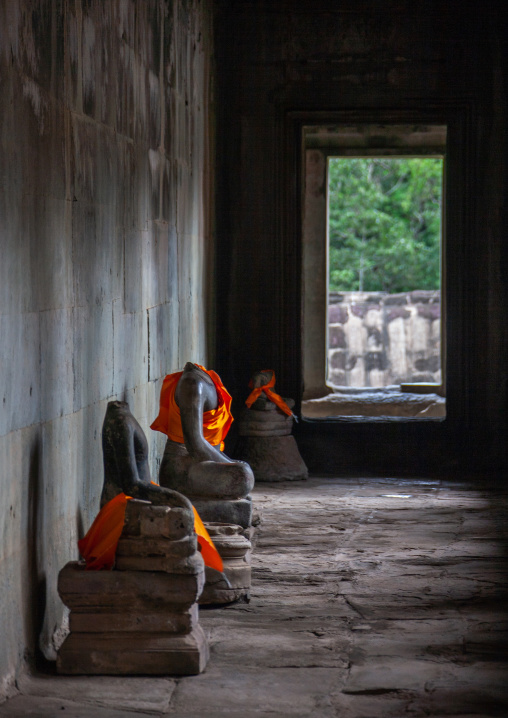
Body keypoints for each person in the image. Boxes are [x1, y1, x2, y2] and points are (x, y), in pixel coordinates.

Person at [78, 400, 222, 571]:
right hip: (124, 506)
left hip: (135, 501)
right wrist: (177, 498)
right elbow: (131, 485)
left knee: (189, 525)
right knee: (185, 516)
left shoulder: (124, 418)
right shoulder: (120, 422)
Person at [151, 363, 254, 501]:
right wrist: (233, 466)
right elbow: (195, 445)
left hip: (201, 463)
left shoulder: (205, 378)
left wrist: (231, 464)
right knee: (243, 475)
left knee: (243, 471)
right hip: (181, 471)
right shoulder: (192, 385)